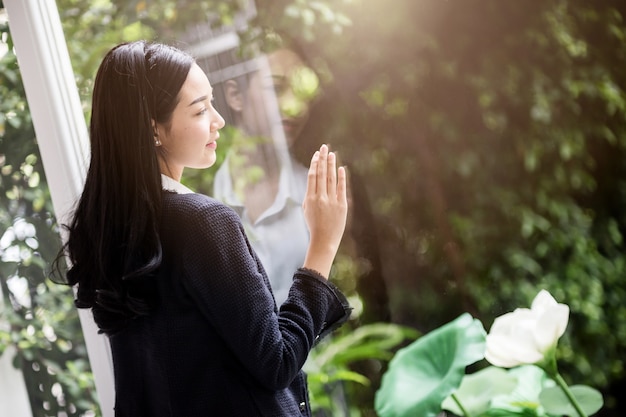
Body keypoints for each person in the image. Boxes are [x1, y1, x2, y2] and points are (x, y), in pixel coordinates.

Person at [59, 40, 351, 417]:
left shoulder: (106, 232)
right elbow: (276, 361)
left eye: (212, 102)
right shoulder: (203, 222)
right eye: (200, 110)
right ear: (153, 131)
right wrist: (323, 245)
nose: (219, 120)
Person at [212, 47, 318, 305]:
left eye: (301, 92)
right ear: (236, 96)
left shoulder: (317, 194)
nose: (295, 107)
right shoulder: (202, 197)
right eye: (276, 88)